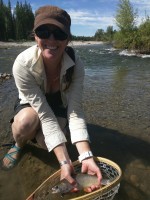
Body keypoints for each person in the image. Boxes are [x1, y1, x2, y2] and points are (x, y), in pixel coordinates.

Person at [2, 5, 102, 192]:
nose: (51, 39)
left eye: (59, 34)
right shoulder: (22, 64)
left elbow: (75, 111)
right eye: (44, 32)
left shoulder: (76, 65)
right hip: (32, 105)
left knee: (47, 140)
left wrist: (86, 156)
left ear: (68, 39)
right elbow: (44, 114)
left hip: (58, 103)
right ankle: (19, 144)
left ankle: (38, 137)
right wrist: (65, 161)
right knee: (26, 123)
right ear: (35, 35)